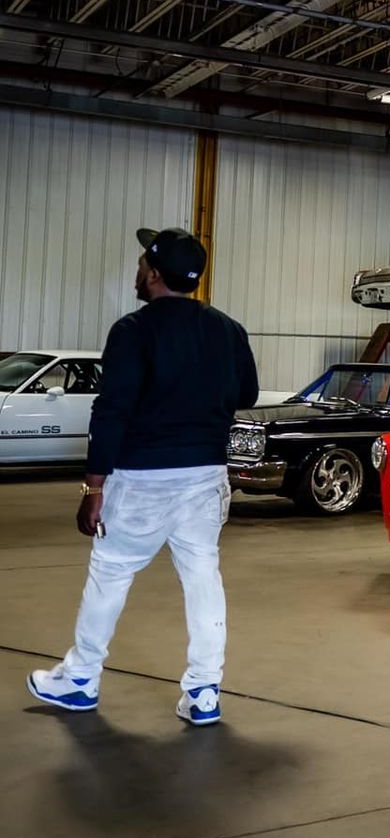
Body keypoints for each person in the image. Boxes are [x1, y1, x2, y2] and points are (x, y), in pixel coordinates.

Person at [27, 227, 258, 727]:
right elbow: (249, 393)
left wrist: (94, 486)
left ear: (153, 274)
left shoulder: (133, 330)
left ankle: (81, 679)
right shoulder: (228, 329)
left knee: (110, 574)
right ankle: (204, 692)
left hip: (143, 478)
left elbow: (112, 410)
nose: (136, 271)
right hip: (205, 476)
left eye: (140, 264)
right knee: (202, 577)